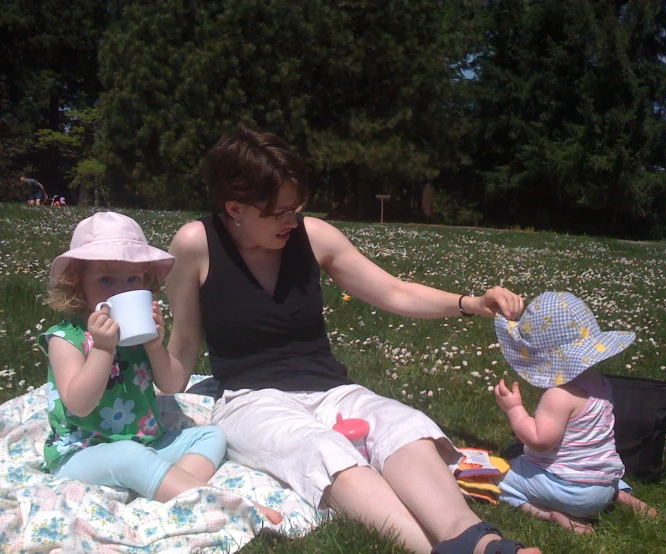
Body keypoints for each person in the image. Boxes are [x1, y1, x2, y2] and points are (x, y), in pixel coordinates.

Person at [165, 124, 542, 554]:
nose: (293, 220)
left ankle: (478, 541)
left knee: (404, 427)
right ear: (235, 208)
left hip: (330, 389)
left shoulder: (312, 235)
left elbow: (393, 291)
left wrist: (469, 303)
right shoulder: (197, 245)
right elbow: (186, 342)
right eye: (279, 212)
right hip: (250, 397)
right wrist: (147, 369)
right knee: (323, 449)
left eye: (297, 207)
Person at [39, 210, 281, 523]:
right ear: (77, 283)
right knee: (130, 458)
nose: (121, 290)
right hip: (82, 452)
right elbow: (79, 405)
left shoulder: (136, 333)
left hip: (146, 442)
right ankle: (226, 504)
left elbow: (171, 384)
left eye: (132, 280)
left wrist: (155, 345)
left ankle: (165, 487)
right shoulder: (67, 338)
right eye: (105, 279)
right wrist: (102, 349)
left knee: (210, 436)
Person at [493, 291, 657, 534]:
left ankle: (553, 515)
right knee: (590, 465)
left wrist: (514, 409)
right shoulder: (600, 383)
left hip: (571, 492)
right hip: (602, 484)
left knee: (498, 478)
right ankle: (620, 496)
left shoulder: (558, 395)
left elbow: (541, 442)